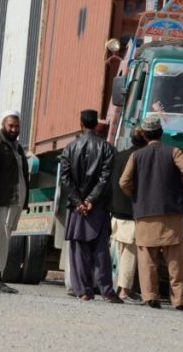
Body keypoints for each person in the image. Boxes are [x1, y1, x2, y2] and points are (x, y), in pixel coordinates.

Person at [119, 115, 183, 312]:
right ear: (161, 133)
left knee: (147, 258)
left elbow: (124, 182)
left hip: (145, 213)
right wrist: (180, 188)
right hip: (171, 212)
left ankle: (150, 297)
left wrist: (136, 195)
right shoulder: (174, 152)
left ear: (144, 135)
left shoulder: (136, 156)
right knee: (175, 259)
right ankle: (179, 300)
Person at [59, 109, 120, 302]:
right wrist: (91, 200)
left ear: (81, 123)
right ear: (96, 124)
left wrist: (79, 202)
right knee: (101, 250)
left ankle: (83, 291)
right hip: (98, 206)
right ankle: (107, 292)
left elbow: (65, 179)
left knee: (78, 250)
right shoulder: (108, 149)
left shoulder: (69, 148)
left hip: (77, 209)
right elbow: (105, 178)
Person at [0, 110, 30, 294]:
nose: (14, 129)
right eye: (10, 125)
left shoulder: (15, 146)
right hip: (0, 202)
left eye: (17, 126)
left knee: (3, 238)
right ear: (3, 124)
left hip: (12, 202)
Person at [110, 127, 147, 304]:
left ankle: (118, 286)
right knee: (129, 254)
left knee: (120, 251)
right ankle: (125, 290)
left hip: (116, 211)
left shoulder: (118, 156)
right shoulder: (143, 160)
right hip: (132, 213)